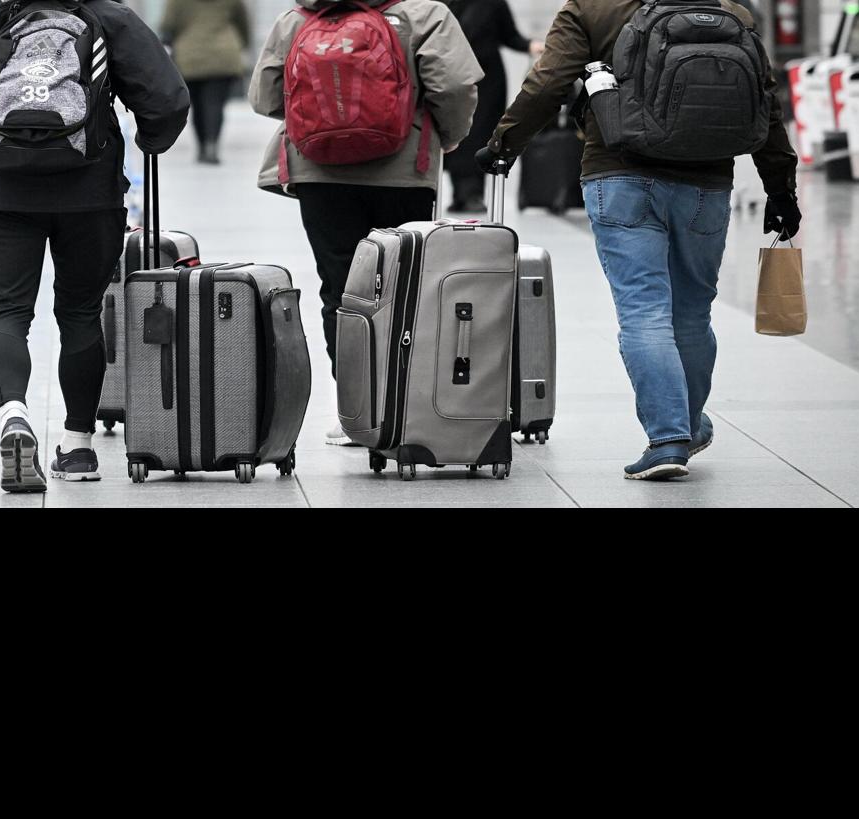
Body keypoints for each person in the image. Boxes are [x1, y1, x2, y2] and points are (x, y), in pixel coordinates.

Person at [482, 0, 801, 481]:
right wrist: (781, 189)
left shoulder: (591, 8)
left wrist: (505, 143)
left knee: (643, 309)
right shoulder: (731, 11)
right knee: (692, 313)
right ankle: (686, 426)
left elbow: (548, 82)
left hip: (620, 176)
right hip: (706, 183)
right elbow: (765, 101)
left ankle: (668, 437)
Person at [0, 0, 189, 493]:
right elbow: (166, 99)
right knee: (82, 313)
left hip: (2, 194)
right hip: (90, 191)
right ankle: (79, 445)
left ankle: (13, 414)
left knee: (6, 314)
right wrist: (146, 141)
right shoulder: (107, 15)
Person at [247, 0, 481, 447]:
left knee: (341, 289)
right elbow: (454, 86)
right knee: (406, 288)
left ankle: (355, 411)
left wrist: (325, 120)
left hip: (319, 172)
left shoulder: (299, 17)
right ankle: (402, 407)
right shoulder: (424, 13)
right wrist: (443, 136)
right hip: (404, 171)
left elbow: (264, 96)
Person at [440, 0, 540, 214]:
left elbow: (509, 35)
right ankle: (462, 194)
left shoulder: (492, 3)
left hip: (486, 82)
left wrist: (530, 45)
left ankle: (470, 194)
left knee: (478, 135)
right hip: (452, 78)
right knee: (455, 133)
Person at [160, 0, 247, 166]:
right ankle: (211, 145)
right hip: (223, 56)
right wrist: (243, 44)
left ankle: (202, 147)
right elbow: (243, 23)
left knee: (197, 105)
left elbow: (168, 25)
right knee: (215, 104)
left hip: (189, 57)